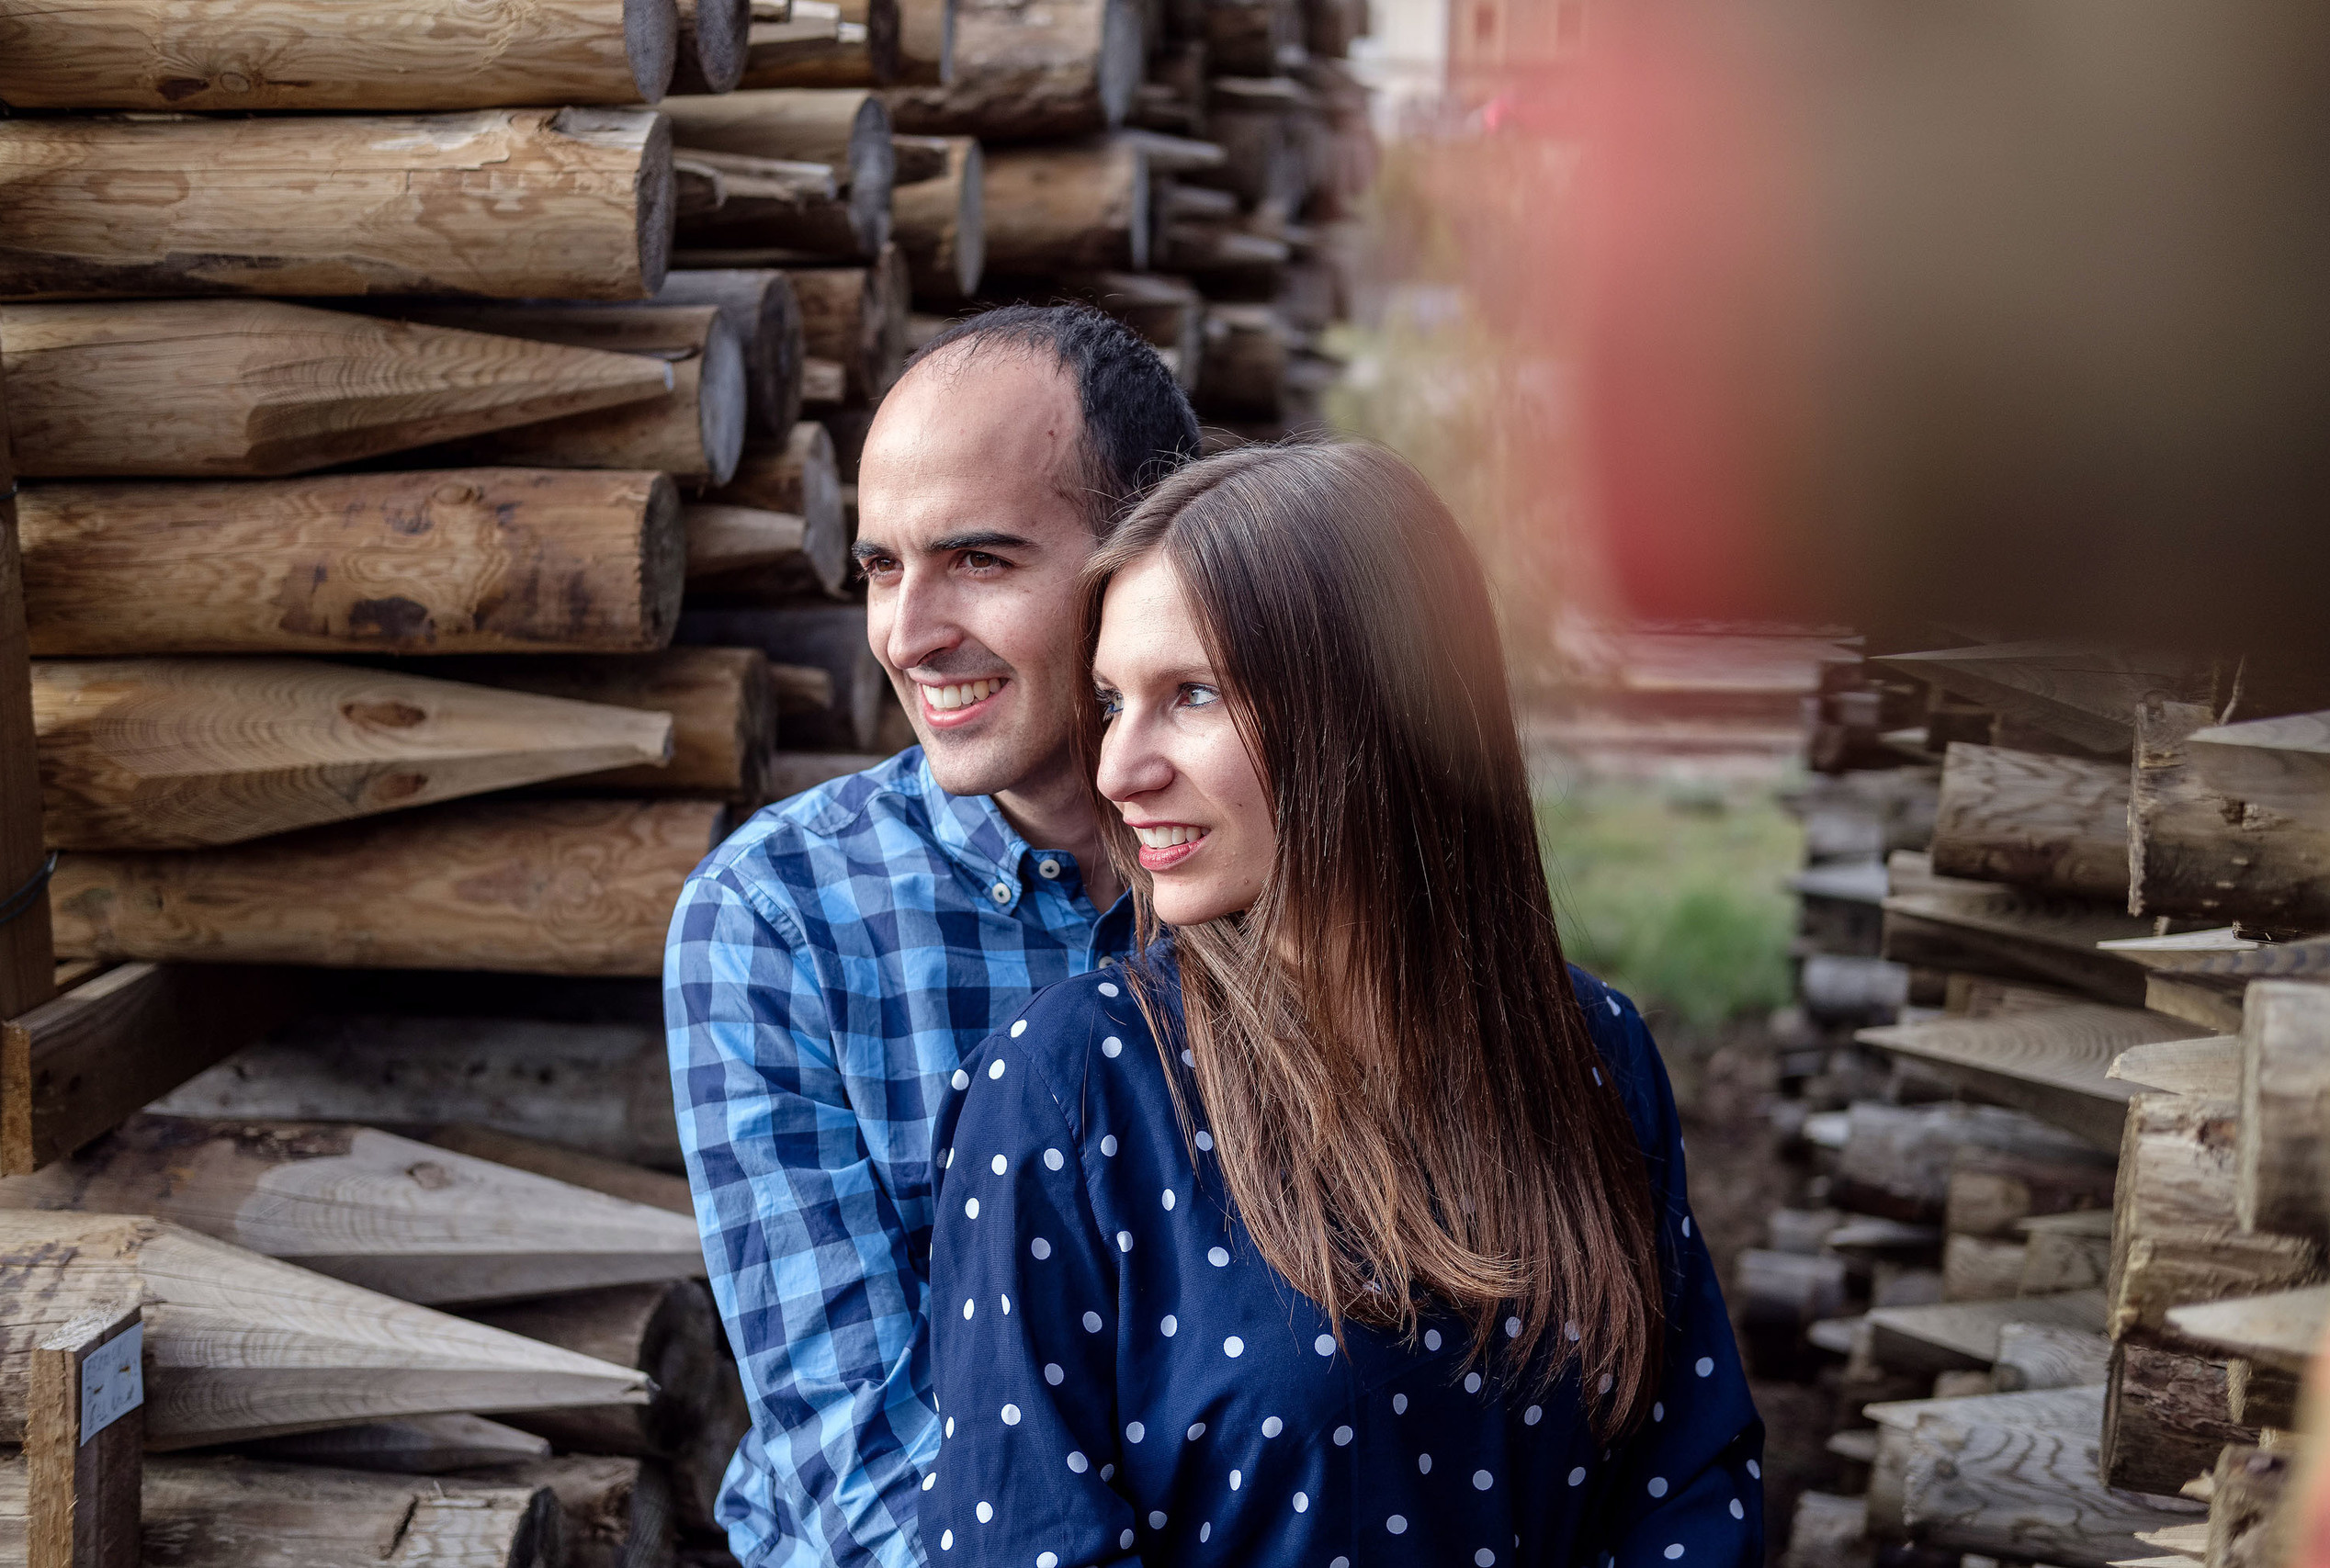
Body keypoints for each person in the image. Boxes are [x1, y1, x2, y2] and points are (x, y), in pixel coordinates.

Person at [922, 442, 1763, 1566]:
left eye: (1192, 695)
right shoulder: (1075, 1086)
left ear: (1369, 707)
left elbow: (1689, 1485)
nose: (1119, 769)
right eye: (1113, 702)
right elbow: (1023, 1539)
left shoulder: (1591, 1052)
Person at [665, 305, 1199, 1568]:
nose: (908, 635)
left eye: (979, 559)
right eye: (882, 567)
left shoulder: (1279, 876)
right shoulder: (776, 917)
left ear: (1150, 558)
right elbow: (867, 1453)